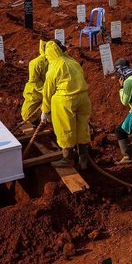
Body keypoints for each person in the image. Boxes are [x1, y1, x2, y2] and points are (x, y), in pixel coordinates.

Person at [40, 40, 92, 169]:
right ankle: (83, 160)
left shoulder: (54, 67)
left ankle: (67, 159)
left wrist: (45, 111)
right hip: (83, 98)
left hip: (66, 100)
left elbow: (47, 92)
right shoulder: (73, 62)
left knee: (65, 129)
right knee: (82, 127)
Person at [20, 39, 49, 130]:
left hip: (48, 92)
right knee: (27, 115)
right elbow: (34, 82)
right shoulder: (35, 63)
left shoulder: (57, 62)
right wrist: (47, 90)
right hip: (35, 93)